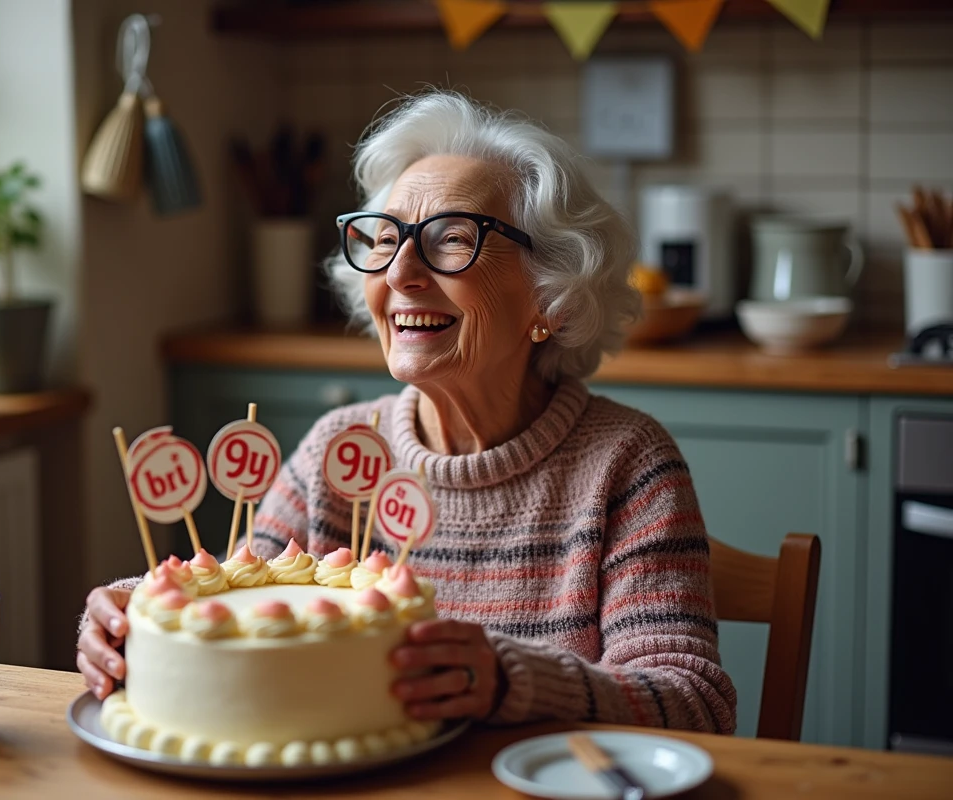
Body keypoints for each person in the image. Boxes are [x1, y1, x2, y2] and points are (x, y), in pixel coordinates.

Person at [78, 90, 737, 734]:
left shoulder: (626, 464)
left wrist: (511, 680)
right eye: (385, 238)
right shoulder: (343, 450)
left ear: (552, 296)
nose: (399, 273)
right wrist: (136, 609)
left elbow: (694, 703)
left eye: (452, 239)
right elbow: (241, 600)